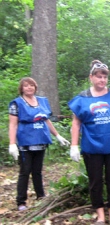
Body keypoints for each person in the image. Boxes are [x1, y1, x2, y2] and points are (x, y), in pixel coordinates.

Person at [68, 60, 110, 225]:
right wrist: (74, 145)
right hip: (92, 147)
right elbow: (76, 123)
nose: (102, 80)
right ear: (91, 77)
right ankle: (100, 215)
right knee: (95, 181)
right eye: (99, 77)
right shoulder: (83, 98)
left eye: (105, 77)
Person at [8, 77, 70, 211]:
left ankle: (41, 196)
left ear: (35, 87)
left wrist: (58, 135)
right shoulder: (17, 104)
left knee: (37, 171)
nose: (29, 88)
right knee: (25, 171)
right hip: (25, 142)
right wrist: (12, 143)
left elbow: (46, 120)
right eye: (26, 86)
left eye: (31, 85)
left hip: (40, 140)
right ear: (22, 88)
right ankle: (21, 201)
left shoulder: (42, 101)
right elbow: (13, 125)